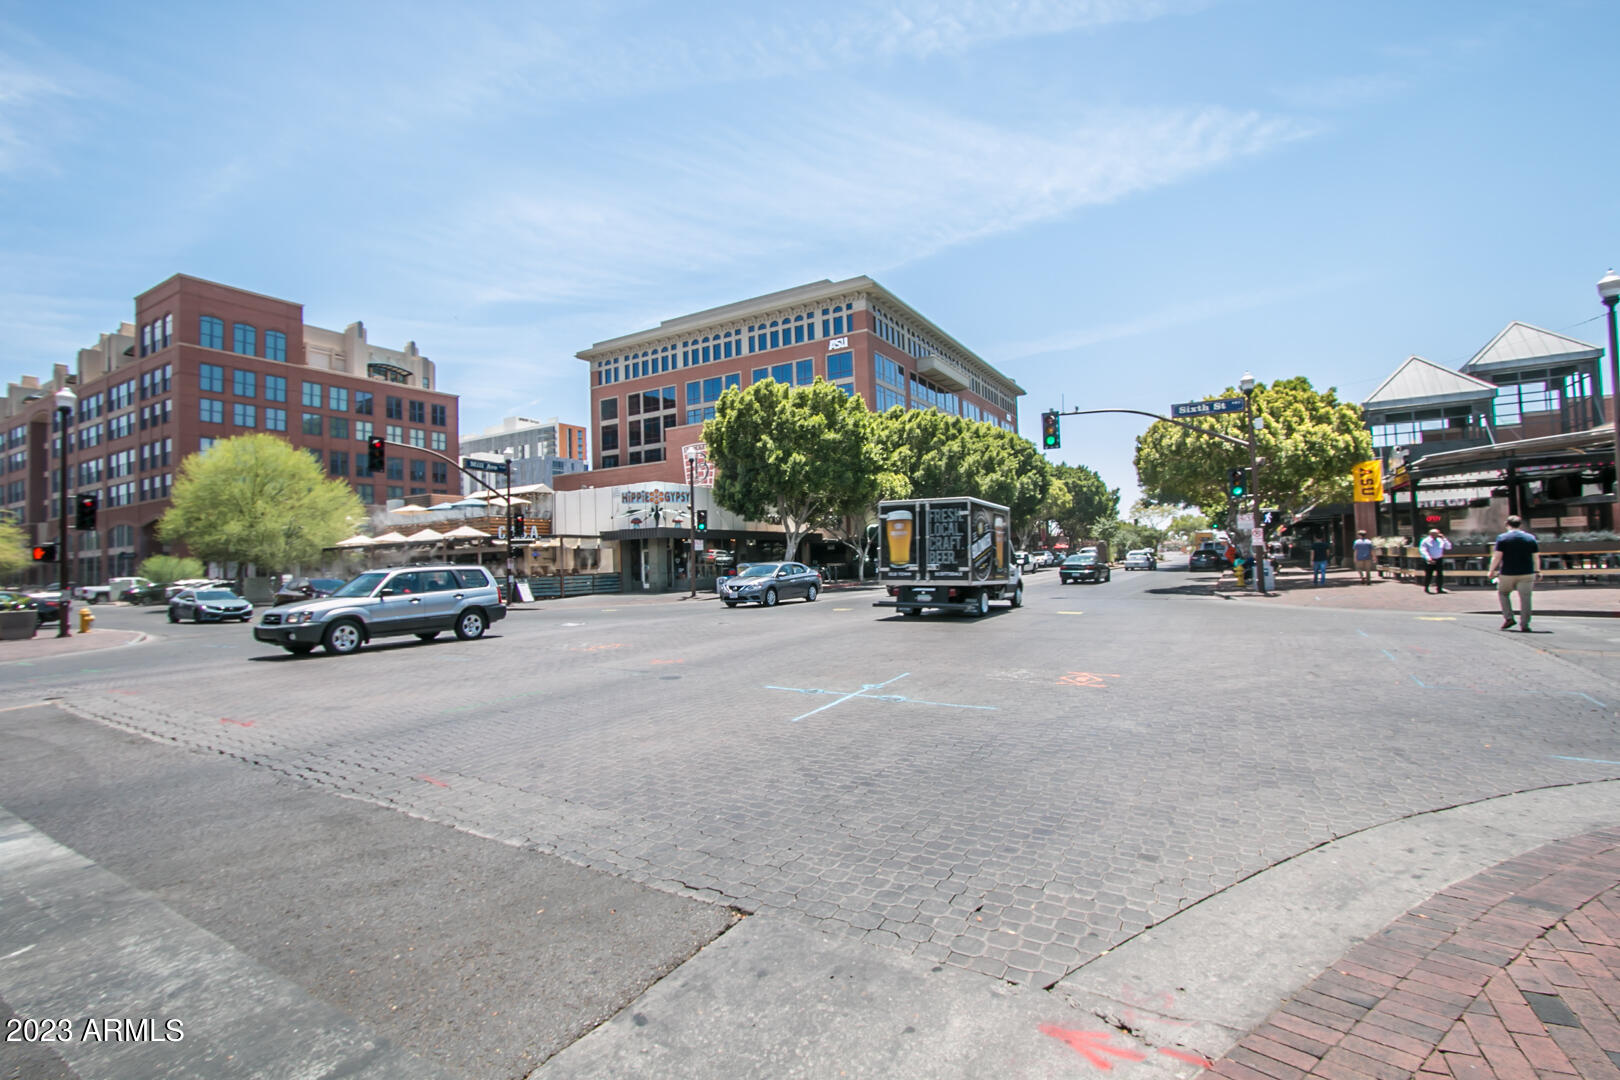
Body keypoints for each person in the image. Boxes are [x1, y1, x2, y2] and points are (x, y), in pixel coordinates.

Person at [1489, 515, 1541, 631]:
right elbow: (1536, 557)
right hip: (1527, 572)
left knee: (1503, 593)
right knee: (1526, 598)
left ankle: (1509, 617)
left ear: (1507, 524)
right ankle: (1525, 624)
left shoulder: (1502, 538)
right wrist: (1537, 571)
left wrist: (1491, 570)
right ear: (1520, 524)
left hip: (1507, 572)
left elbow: (1497, 557)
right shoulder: (1530, 538)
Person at [1419, 528, 1451, 594]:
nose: (1437, 535)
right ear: (1431, 534)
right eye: (1435, 534)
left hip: (1439, 559)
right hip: (1430, 559)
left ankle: (1439, 588)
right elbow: (1423, 550)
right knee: (1429, 574)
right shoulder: (1425, 541)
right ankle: (1426, 587)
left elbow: (1448, 547)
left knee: (1440, 574)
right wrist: (1428, 558)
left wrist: (1444, 539)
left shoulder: (1440, 540)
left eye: (1437, 533)